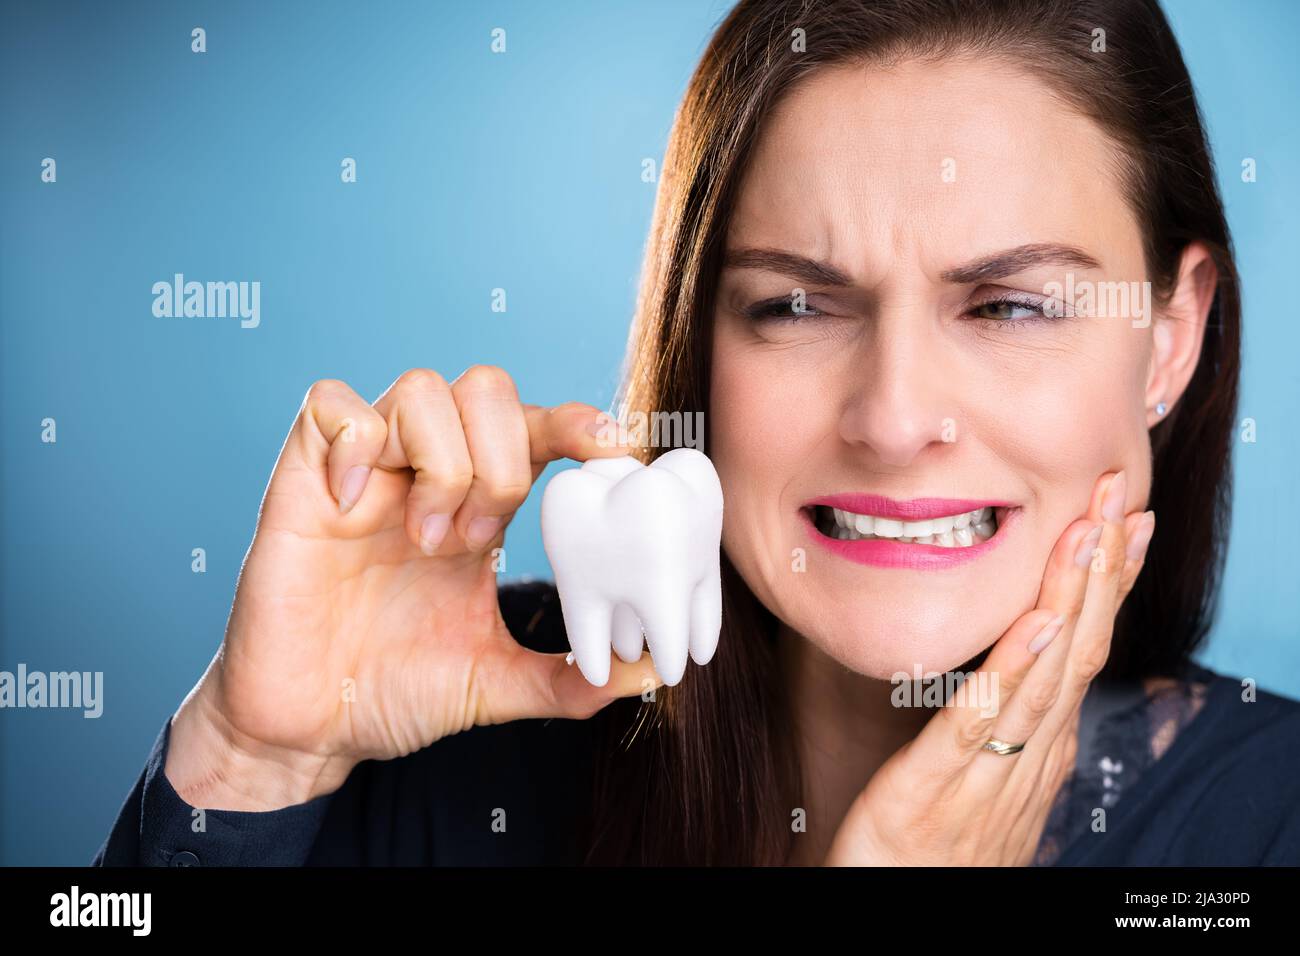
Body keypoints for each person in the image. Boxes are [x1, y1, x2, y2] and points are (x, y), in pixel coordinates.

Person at [94, 0, 1300, 867]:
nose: (889, 418)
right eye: (794, 303)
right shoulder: (451, 723)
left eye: (1008, 305)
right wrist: (249, 765)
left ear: (1170, 336)